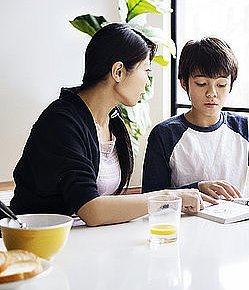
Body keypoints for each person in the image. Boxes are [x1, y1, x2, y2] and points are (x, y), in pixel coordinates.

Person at [10, 23, 202, 226]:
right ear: (118, 71)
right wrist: (167, 197)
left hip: (90, 241)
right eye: (146, 70)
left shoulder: (113, 119)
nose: (147, 82)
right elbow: (91, 210)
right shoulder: (61, 121)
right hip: (42, 241)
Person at [142, 37, 249, 201]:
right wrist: (197, 188)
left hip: (234, 223)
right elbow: (150, 199)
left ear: (230, 85)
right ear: (184, 84)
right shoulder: (165, 134)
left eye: (221, 84)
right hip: (184, 224)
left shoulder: (242, 128)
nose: (212, 93)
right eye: (201, 83)